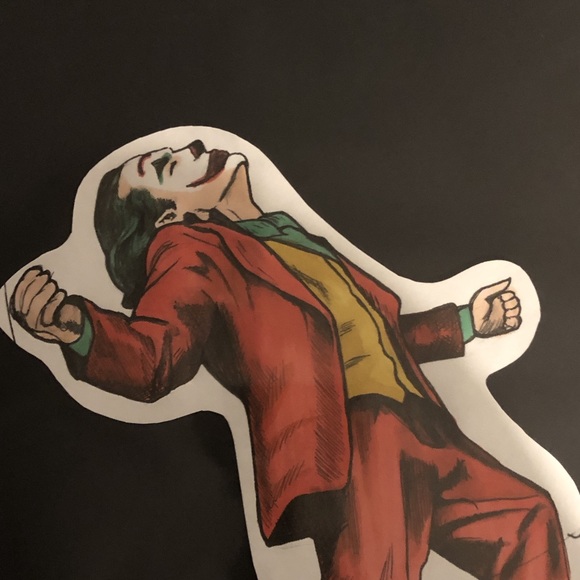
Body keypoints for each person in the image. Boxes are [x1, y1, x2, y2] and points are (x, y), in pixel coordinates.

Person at [11, 137, 570, 579]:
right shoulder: (189, 251)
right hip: (355, 446)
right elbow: (155, 354)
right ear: (169, 216)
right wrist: (78, 329)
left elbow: (369, 332)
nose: (192, 148)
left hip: (421, 423)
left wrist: (468, 322)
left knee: (531, 520)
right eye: (165, 167)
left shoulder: (286, 235)